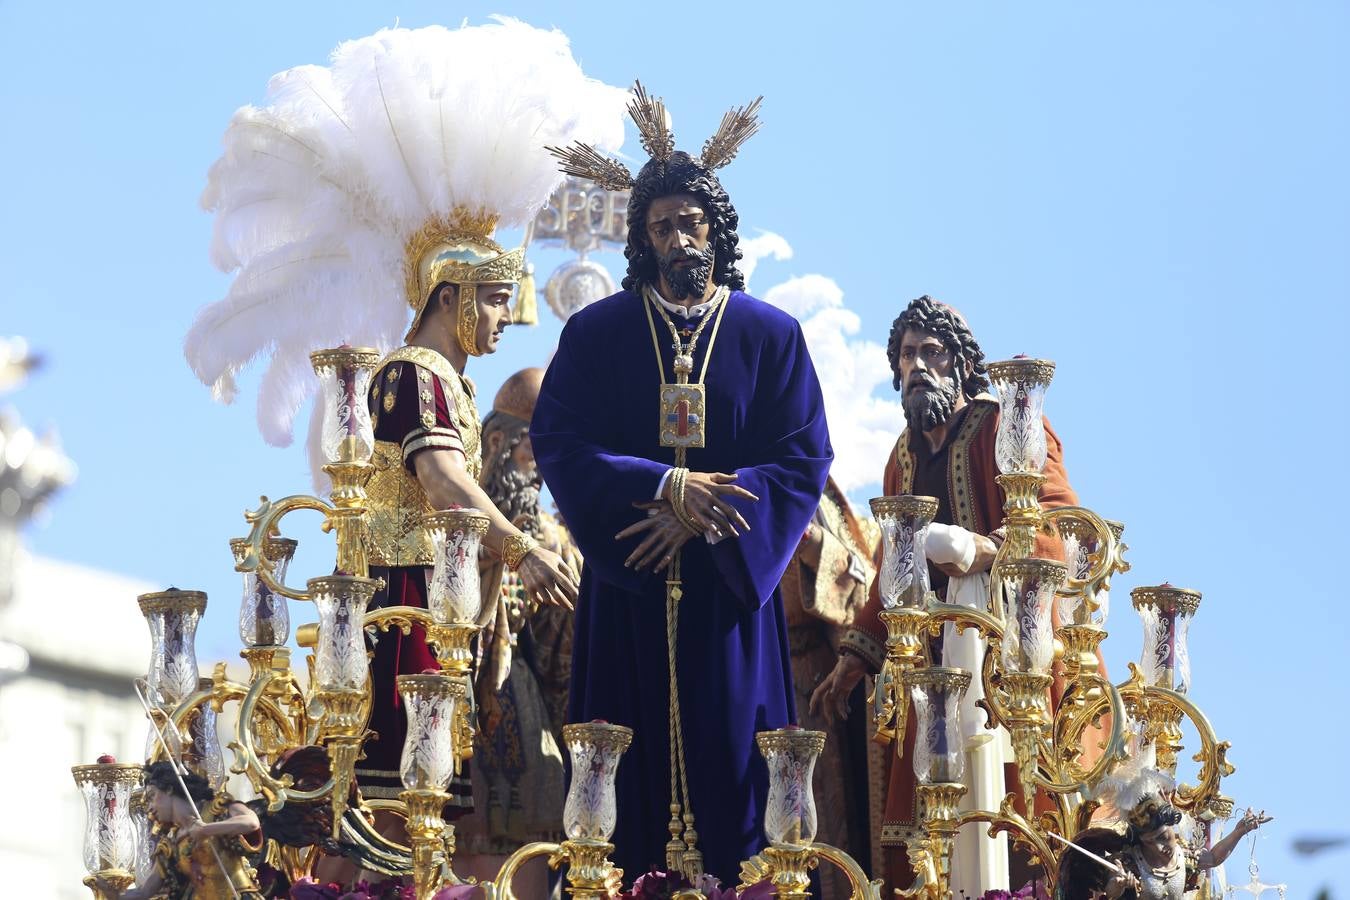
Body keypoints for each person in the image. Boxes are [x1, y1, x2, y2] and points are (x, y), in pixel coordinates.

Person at [536, 86, 832, 884]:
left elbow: (803, 457)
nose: (677, 235)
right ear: (642, 238)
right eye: (661, 223)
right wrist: (665, 489)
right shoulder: (596, 335)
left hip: (728, 598)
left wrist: (706, 514)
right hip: (627, 587)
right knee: (618, 791)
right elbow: (558, 440)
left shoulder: (770, 336)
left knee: (737, 777)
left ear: (716, 230)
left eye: (691, 222)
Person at [810, 295, 1085, 893]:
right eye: (906, 355)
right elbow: (892, 569)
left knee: (1020, 809)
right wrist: (855, 658)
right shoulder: (901, 460)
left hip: (1014, 657)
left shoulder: (1005, 425)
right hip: (930, 671)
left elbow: (1057, 526)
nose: (917, 367)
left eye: (931, 353)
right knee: (936, 824)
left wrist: (984, 551)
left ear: (960, 363)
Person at [456, 367, 581, 894]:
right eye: (536, 450)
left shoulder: (553, 534)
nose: (542, 470)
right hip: (457, 690)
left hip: (522, 700)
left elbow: (566, 644)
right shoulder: (455, 512)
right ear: (498, 442)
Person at [780, 475, 878, 895]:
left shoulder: (826, 502)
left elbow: (870, 583)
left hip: (817, 687)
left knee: (827, 826)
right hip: (751, 672)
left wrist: (818, 546)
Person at [104, 760, 264, 900]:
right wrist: (116, 895)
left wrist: (207, 829)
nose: (150, 808)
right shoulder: (171, 844)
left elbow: (251, 822)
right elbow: (144, 893)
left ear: (169, 789)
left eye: (152, 796)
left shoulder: (215, 809)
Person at [1058, 796, 1272, 900]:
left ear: (1172, 826)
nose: (1161, 847)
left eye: (1163, 837)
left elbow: (1214, 858)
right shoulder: (1128, 862)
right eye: (1150, 841)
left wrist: (1239, 831)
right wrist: (1118, 886)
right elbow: (1111, 890)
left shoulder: (1183, 855)